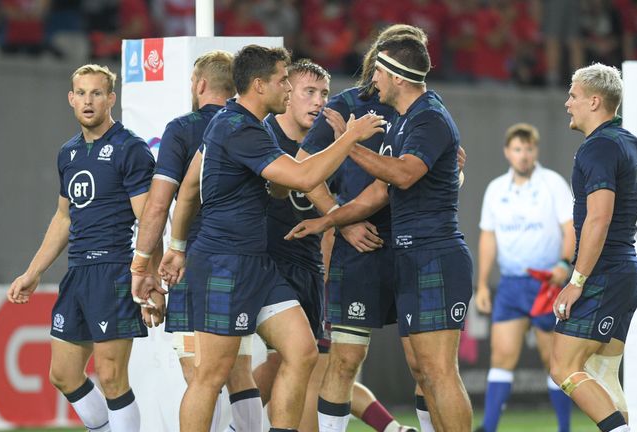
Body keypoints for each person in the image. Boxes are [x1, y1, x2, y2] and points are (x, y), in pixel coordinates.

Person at [134, 45, 385, 432]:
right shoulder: (236, 127)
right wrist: (350, 137)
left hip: (258, 264)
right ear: (258, 85)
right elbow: (302, 177)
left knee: (302, 351)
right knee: (210, 375)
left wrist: (179, 246)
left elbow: (188, 191)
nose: (288, 86)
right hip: (225, 262)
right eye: (283, 79)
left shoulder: (246, 125)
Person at [288, 34, 474, 431]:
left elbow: (404, 174)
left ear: (394, 74)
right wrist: (333, 220)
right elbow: (327, 179)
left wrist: (348, 141)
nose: (374, 75)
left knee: (434, 370)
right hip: (379, 253)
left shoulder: (426, 114)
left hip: (429, 252)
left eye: (380, 70)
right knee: (356, 361)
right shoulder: (387, 113)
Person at [253, 58, 414, 432]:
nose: (319, 102)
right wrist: (345, 225)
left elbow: (343, 203)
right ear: (286, 93)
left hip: (311, 269)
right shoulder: (263, 136)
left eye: (324, 94)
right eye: (309, 92)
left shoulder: (330, 145)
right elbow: (298, 182)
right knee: (296, 360)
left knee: (319, 364)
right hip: (265, 266)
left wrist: (341, 226)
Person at [7, 64, 162, 432]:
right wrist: (33, 271)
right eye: (82, 93)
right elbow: (64, 218)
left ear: (111, 99)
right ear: (71, 99)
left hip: (114, 271)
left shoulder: (131, 149)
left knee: (111, 377)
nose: (88, 101)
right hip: (77, 272)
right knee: (62, 374)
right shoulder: (68, 153)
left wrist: (148, 274)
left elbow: (149, 220)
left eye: (97, 93)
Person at [131, 49, 263, 432]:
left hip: (194, 264)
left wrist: (144, 266)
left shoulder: (183, 128)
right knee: (239, 371)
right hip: (246, 263)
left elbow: (157, 206)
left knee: (200, 377)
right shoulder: (254, 126)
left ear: (200, 84)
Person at [550, 63, 637, 432]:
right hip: (624, 268)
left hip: (604, 271)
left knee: (563, 366)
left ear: (593, 101)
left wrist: (577, 280)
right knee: (602, 374)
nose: (567, 103)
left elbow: (599, 218)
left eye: (572, 95)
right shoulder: (627, 140)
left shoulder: (599, 147)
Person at [474, 123, 575, 432]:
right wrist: (481, 284)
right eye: (518, 149)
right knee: (501, 356)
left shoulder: (552, 183)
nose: (523, 155)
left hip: (547, 284)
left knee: (553, 361)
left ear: (536, 151)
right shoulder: (495, 189)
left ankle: (564, 428)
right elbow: (487, 238)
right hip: (511, 284)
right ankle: (489, 427)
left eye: (529, 149)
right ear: (508, 152)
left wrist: (564, 262)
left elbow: (570, 228)